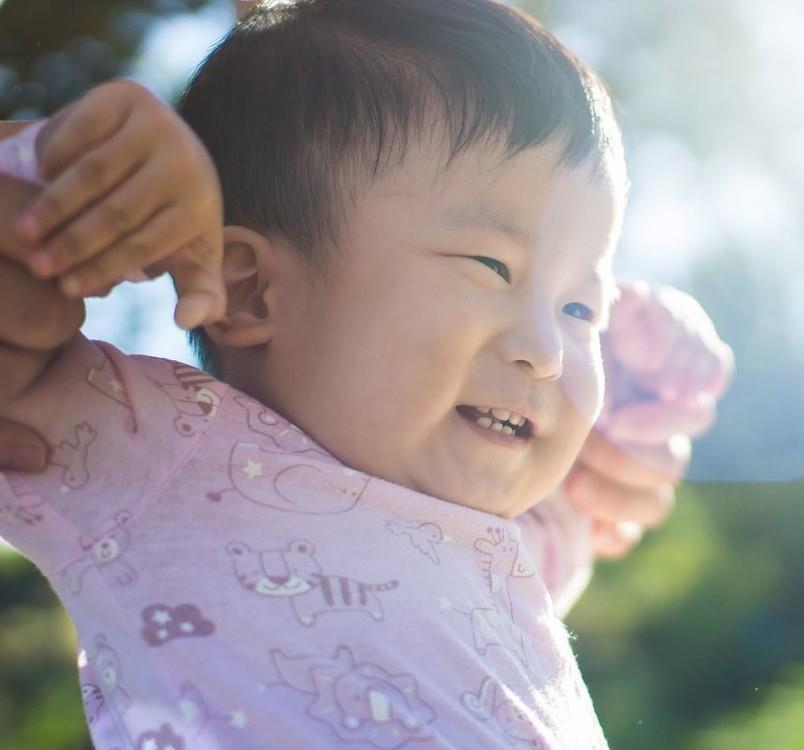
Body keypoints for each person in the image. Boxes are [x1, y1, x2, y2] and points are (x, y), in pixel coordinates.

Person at [0, 1, 733, 747]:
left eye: (580, 307)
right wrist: (60, 175)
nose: (547, 352)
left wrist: (654, 361)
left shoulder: (506, 536)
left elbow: (606, 458)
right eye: (492, 265)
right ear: (252, 290)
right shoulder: (157, 456)